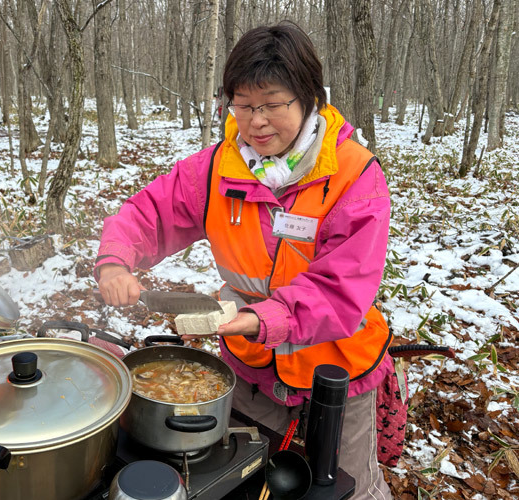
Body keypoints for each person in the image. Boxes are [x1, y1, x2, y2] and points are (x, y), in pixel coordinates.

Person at [95, 22, 393, 500]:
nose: (256, 121)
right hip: (250, 366)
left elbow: (342, 289)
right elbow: (147, 213)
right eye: (243, 104)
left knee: (342, 488)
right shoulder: (216, 168)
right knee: (246, 478)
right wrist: (115, 260)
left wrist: (259, 319)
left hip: (337, 371)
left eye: (273, 104)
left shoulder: (354, 175)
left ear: (309, 97)